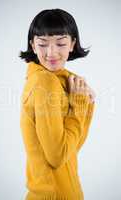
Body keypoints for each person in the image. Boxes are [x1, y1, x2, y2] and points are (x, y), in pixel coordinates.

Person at [19, 8, 96, 200]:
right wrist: (78, 107)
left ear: (72, 44)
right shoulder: (46, 83)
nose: (51, 52)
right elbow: (57, 157)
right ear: (33, 46)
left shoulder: (53, 81)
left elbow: (71, 148)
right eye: (43, 44)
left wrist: (83, 98)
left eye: (60, 43)